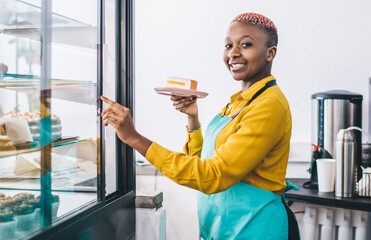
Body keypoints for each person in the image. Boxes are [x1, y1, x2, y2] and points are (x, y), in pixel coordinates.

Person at [101, 12, 300, 240]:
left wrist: (134, 138)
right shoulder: (238, 102)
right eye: (228, 45)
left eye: (245, 44)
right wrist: (193, 119)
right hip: (223, 229)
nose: (233, 53)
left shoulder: (269, 106)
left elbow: (213, 176)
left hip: (254, 230)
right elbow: (206, 159)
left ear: (270, 53)